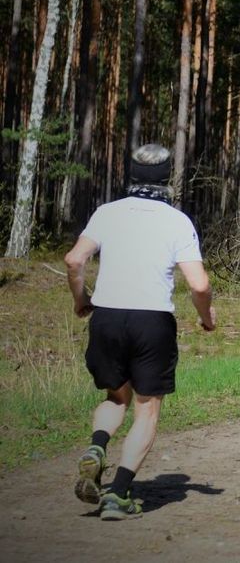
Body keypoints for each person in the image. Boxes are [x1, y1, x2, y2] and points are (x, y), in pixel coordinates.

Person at [64, 144, 216, 520]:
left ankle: (98, 446)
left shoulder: (106, 213)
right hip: (152, 320)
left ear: (130, 174)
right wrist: (206, 317)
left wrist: (81, 298)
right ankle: (117, 495)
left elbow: (74, 259)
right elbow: (198, 285)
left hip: (108, 315)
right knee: (146, 409)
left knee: (116, 397)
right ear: (167, 178)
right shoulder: (176, 221)